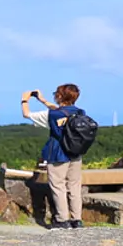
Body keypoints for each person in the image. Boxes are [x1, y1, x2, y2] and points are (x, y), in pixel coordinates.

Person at [20, 83, 86, 228]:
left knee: (58, 186)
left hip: (58, 154)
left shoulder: (51, 115)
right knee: (74, 186)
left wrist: (24, 99)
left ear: (60, 96)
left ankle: (62, 220)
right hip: (75, 153)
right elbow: (61, 110)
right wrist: (42, 100)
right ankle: (77, 219)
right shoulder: (80, 112)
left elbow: (27, 114)